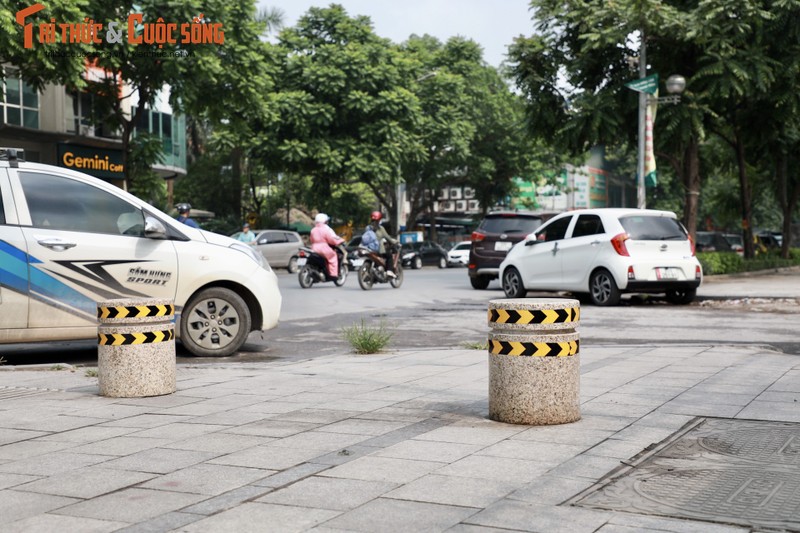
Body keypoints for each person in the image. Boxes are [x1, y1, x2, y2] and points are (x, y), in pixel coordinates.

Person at [310, 213, 344, 279]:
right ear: (325, 221)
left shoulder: (313, 230)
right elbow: (332, 240)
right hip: (324, 248)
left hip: (314, 248)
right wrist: (340, 240)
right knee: (333, 256)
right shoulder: (326, 229)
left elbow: (311, 240)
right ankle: (333, 275)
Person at [368, 211, 399, 278]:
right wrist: (395, 242)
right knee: (389, 256)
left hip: (368, 249)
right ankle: (389, 271)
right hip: (378, 250)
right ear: (379, 219)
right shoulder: (381, 228)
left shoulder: (367, 228)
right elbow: (388, 238)